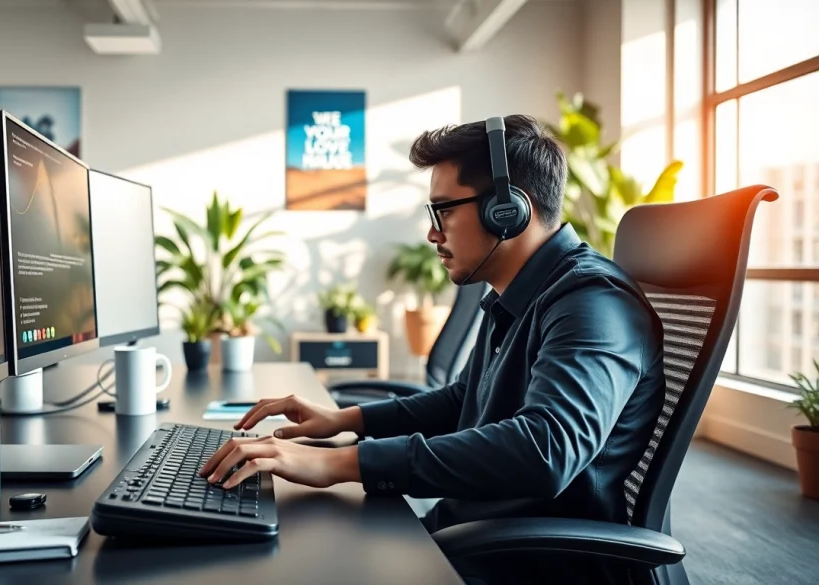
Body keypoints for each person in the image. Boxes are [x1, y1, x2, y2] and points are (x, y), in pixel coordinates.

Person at [199, 115, 665, 584]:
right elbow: (464, 399)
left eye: (443, 210)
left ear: (507, 210)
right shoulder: (520, 295)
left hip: (527, 562)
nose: (432, 234)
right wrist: (346, 420)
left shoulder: (593, 303)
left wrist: (339, 463)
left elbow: (544, 451)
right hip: (474, 533)